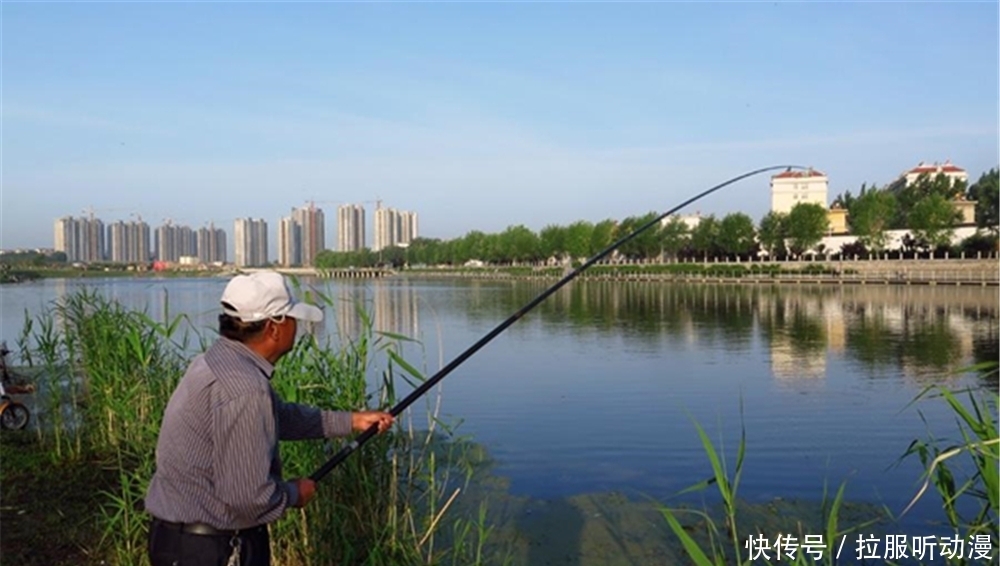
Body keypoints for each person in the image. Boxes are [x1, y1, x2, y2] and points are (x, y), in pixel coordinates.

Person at [145, 270, 394, 566]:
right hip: (211, 550)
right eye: (292, 318)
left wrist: (352, 421)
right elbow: (248, 498)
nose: (297, 327)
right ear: (274, 328)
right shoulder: (246, 388)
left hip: (177, 541)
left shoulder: (214, 363)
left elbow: (276, 417)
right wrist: (293, 494)